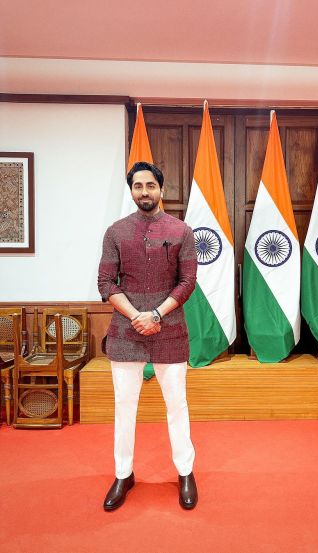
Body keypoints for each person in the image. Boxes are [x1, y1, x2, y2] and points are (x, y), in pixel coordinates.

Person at [98, 161, 198, 511]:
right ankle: (123, 473)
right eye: (138, 186)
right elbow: (105, 283)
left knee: (177, 405)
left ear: (161, 189)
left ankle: (185, 472)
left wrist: (155, 314)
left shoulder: (182, 231)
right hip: (126, 331)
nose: (144, 191)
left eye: (150, 185)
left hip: (169, 329)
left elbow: (187, 283)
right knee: (125, 407)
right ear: (131, 191)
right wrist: (137, 316)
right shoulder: (115, 232)